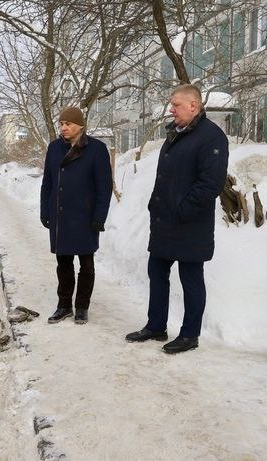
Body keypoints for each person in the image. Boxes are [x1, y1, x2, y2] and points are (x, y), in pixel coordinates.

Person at [125, 84, 228, 354]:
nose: (171, 109)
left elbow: (210, 184)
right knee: (156, 272)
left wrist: (183, 210)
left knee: (191, 278)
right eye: (172, 105)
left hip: (190, 224)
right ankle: (156, 325)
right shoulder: (175, 134)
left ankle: (189, 335)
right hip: (164, 221)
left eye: (177, 105)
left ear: (194, 105)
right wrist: (156, 206)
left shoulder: (211, 137)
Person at [40, 106, 112, 325]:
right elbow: (47, 183)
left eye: (68, 124)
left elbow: (104, 187)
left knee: (86, 264)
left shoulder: (97, 149)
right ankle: (64, 306)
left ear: (80, 125)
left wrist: (99, 217)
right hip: (60, 215)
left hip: (85, 216)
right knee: (63, 263)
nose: (63, 128)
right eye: (61, 124)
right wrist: (45, 210)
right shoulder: (54, 149)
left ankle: (81, 307)